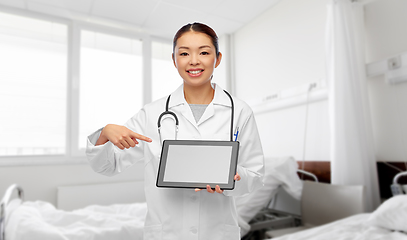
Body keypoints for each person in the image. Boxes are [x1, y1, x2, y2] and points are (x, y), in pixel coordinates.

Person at [86, 22, 264, 240]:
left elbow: (255, 176)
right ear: (174, 60)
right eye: (184, 53)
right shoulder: (152, 114)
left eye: (204, 52)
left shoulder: (240, 112)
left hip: (217, 233)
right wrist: (105, 133)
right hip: (166, 234)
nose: (194, 61)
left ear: (217, 59)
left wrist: (232, 177)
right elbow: (107, 166)